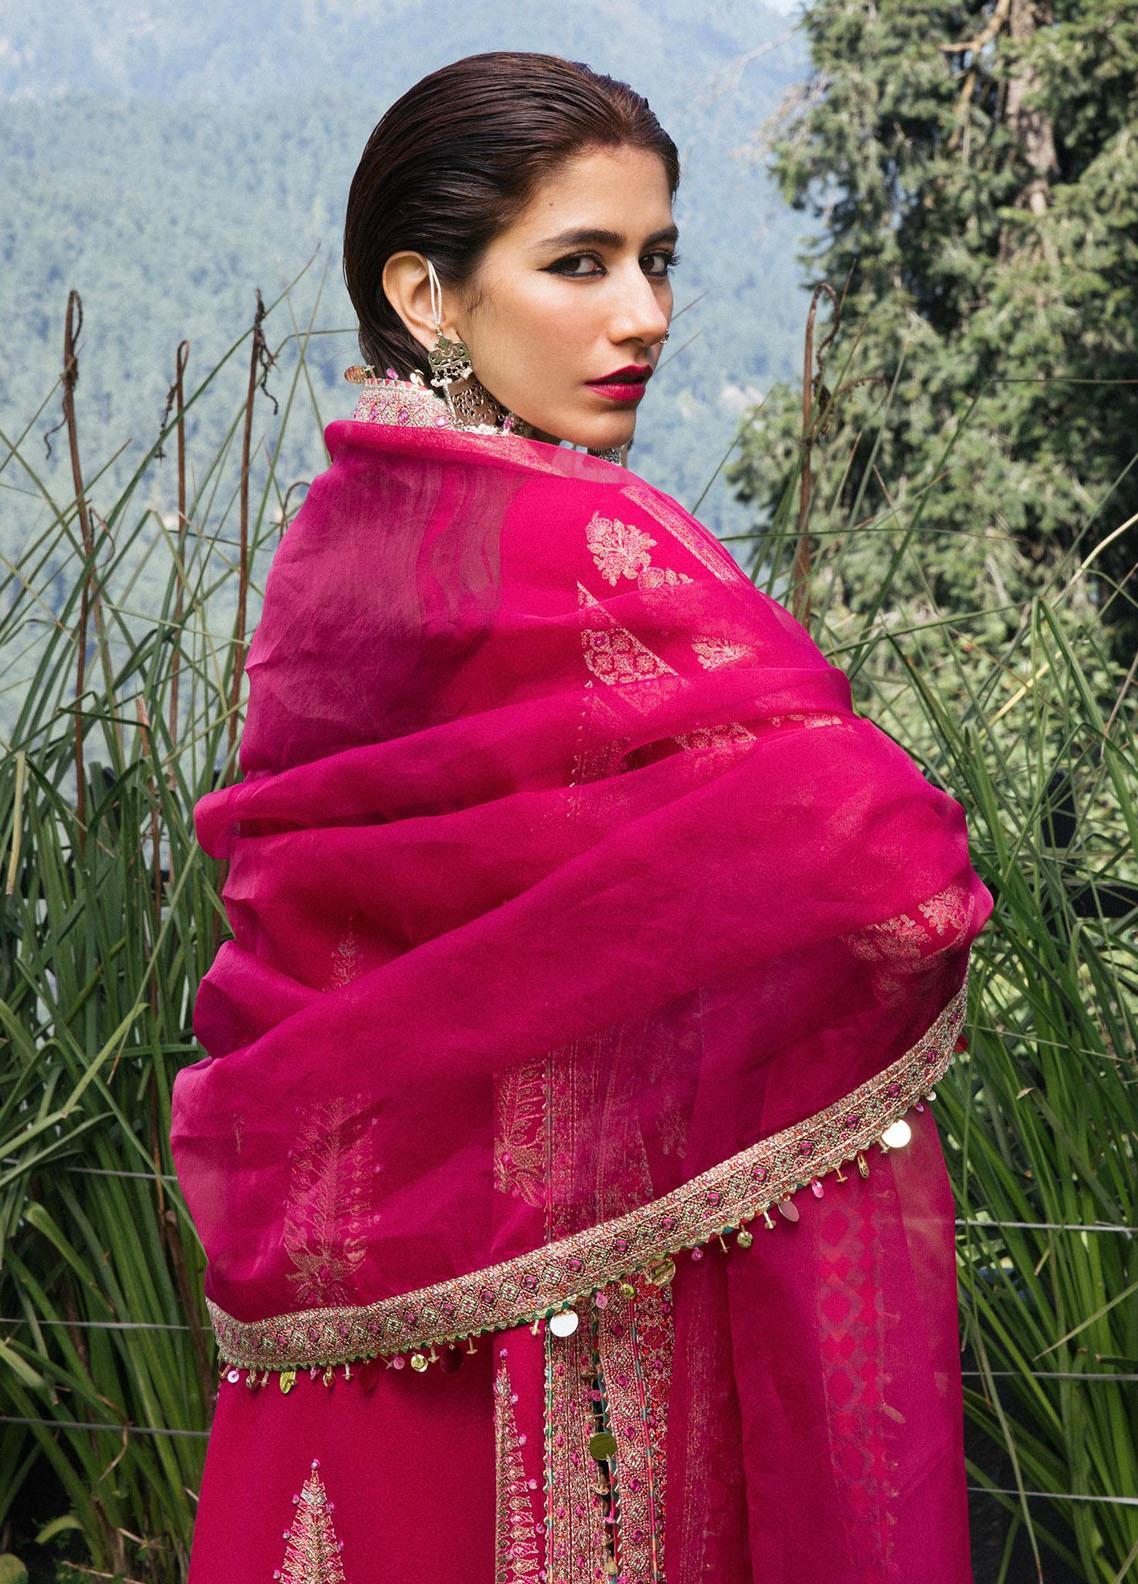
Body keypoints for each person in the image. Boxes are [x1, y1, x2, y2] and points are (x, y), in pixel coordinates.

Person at [170, 50, 993, 1584]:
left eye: (654, 260)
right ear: (424, 295)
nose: (645, 315)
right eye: (579, 264)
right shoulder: (585, 534)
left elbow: (394, 926)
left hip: (358, 1267)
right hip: (569, 1304)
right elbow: (892, 871)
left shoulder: (338, 542)